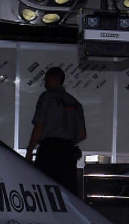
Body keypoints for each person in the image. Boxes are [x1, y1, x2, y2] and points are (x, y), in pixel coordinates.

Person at [26, 66, 87, 195]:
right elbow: (82, 134)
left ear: (52, 79)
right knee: (66, 194)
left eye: (46, 80)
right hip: (68, 152)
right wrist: (67, 141)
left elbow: (39, 126)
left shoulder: (46, 98)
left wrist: (30, 149)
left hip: (49, 151)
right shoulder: (75, 103)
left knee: (44, 191)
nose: (45, 84)